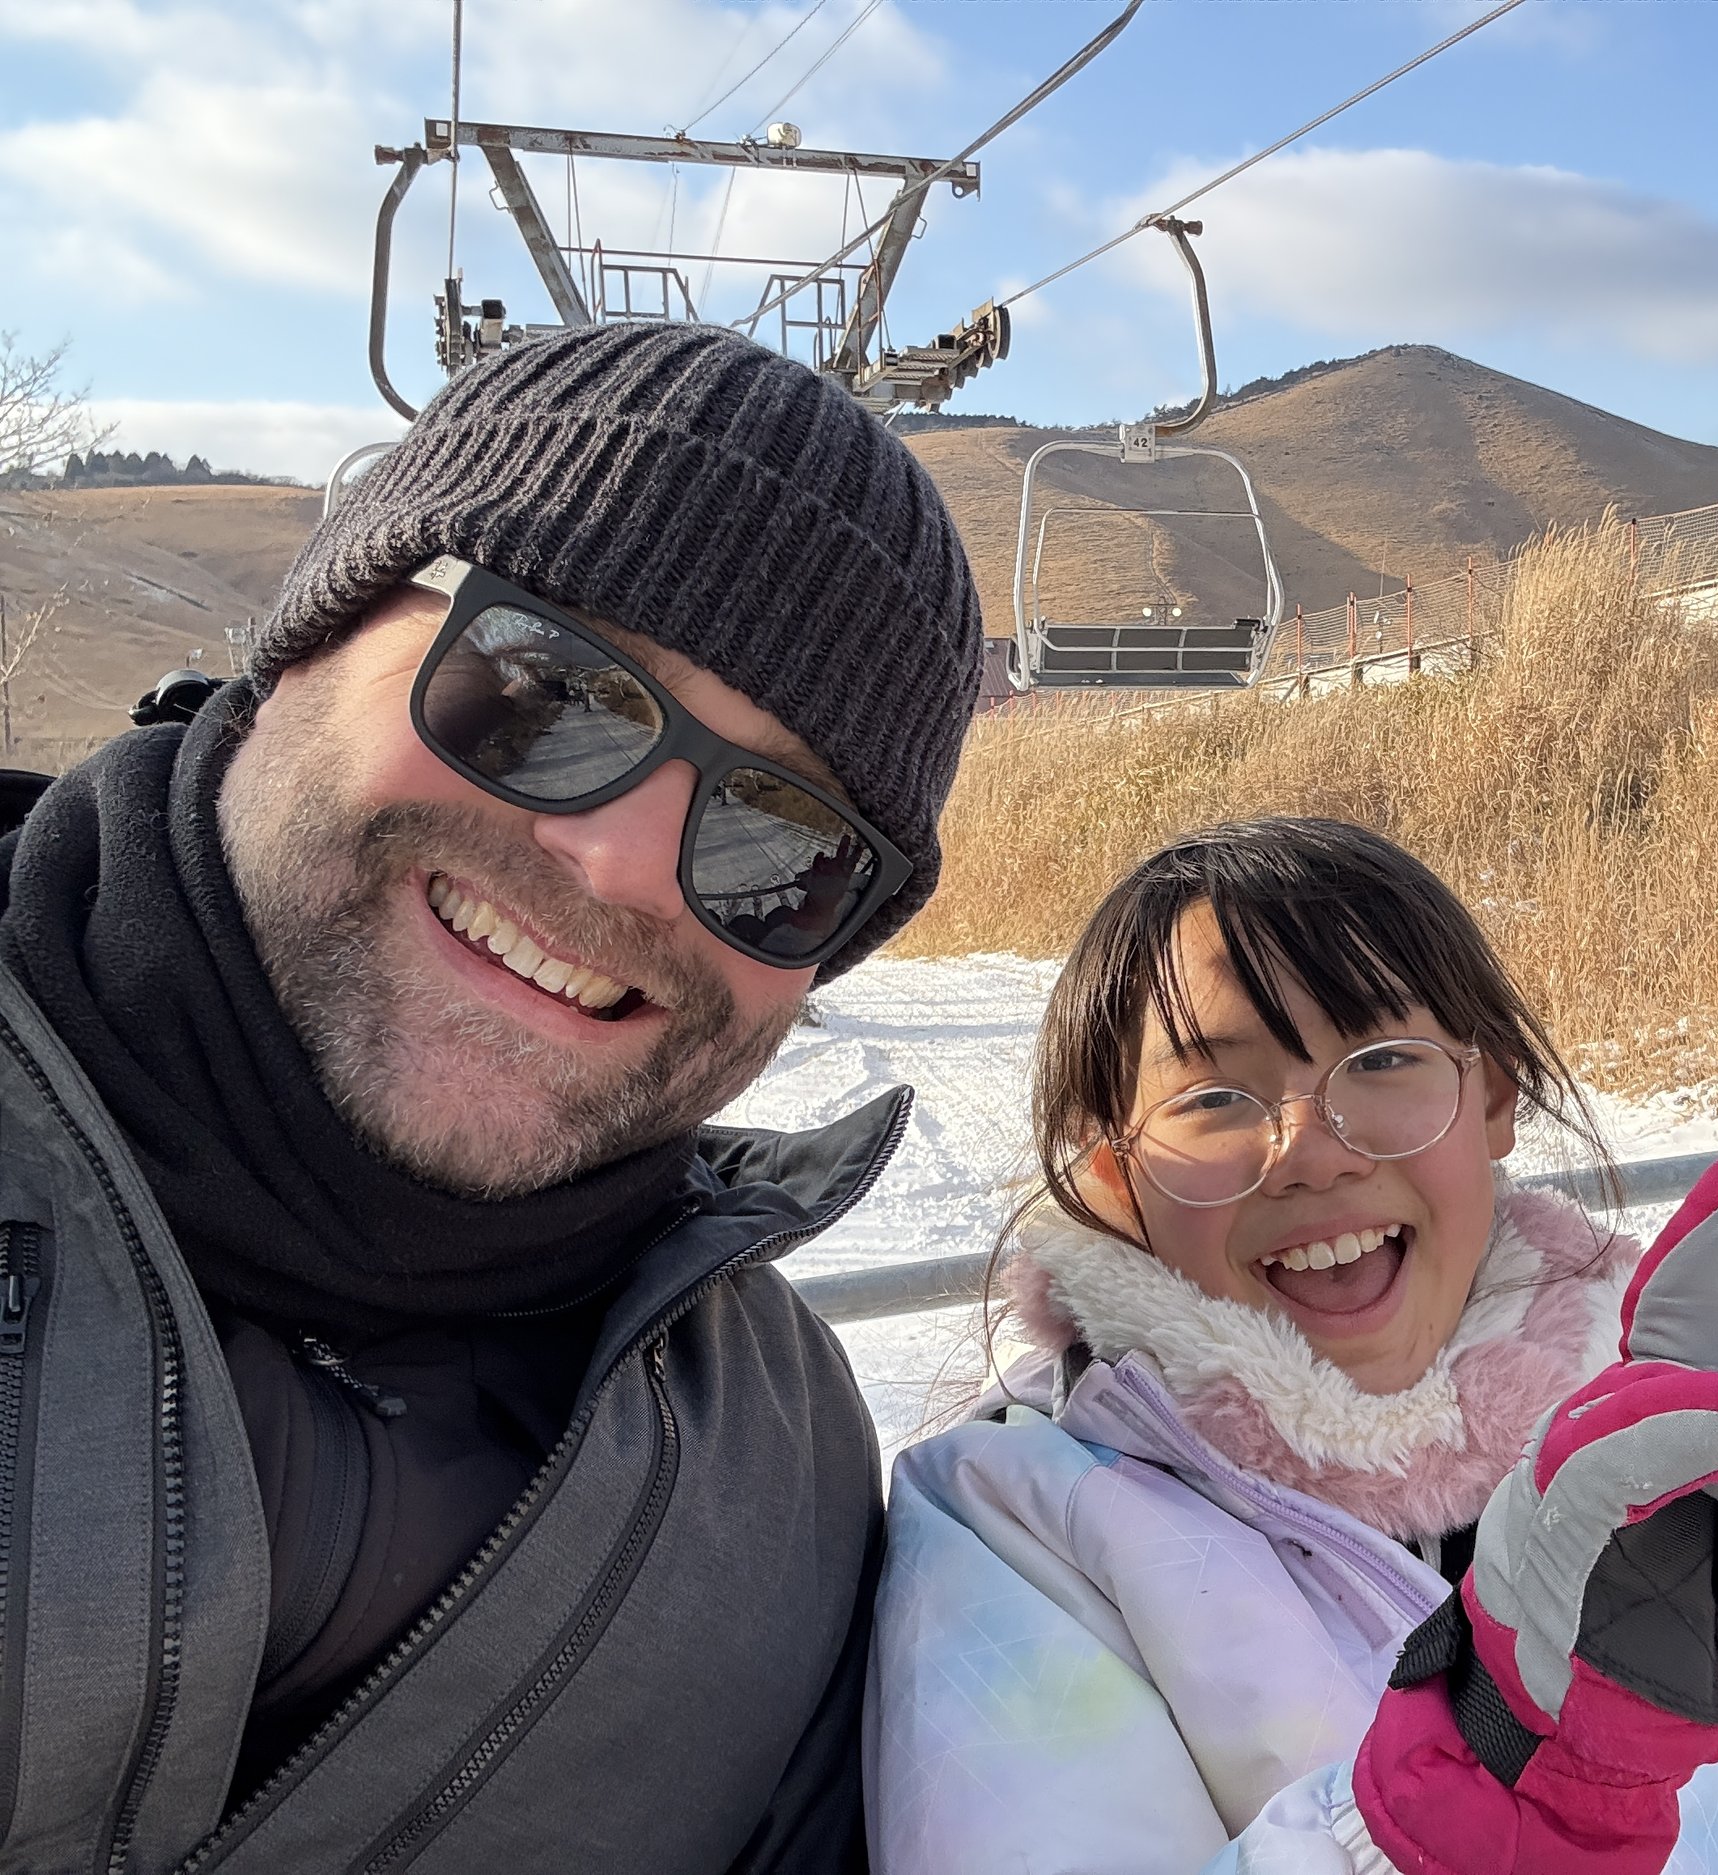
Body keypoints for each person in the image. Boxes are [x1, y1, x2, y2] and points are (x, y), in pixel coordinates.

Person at [0, 321, 982, 1870]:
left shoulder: (783, 1485)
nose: (625, 868)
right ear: (310, 636)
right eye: (548, 686)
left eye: (781, 843)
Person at [867, 815, 1718, 1874]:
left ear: (1492, 1095)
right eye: (1216, 1094)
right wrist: (1467, 1781)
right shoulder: (1014, 1524)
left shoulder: (1694, 1433)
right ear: (1114, 1173)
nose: (1317, 1148)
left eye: (1381, 1057)